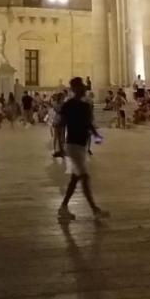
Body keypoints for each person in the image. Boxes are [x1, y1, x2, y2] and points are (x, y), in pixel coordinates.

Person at [57, 77, 108, 221]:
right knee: (84, 177)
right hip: (73, 145)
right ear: (74, 89)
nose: (83, 89)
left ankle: (63, 207)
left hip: (81, 145)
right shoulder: (68, 105)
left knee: (75, 179)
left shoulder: (85, 106)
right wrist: (61, 147)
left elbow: (88, 124)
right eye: (80, 86)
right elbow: (61, 125)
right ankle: (94, 209)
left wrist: (97, 135)